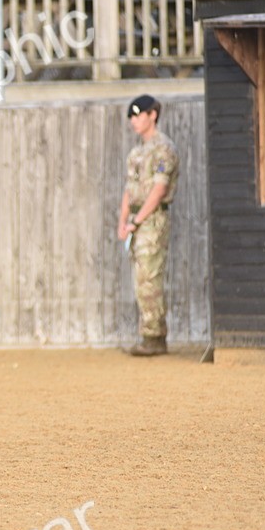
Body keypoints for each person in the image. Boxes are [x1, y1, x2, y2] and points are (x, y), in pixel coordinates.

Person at [117, 95, 180, 356]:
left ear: (152, 115)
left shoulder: (163, 149)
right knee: (141, 278)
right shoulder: (137, 153)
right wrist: (123, 221)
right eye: (131, 116)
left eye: (138, 114)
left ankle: (154, 336)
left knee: (149, 277)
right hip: (137, 221)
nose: (134, 120)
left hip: (152, 220)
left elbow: (159, 189)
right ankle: (150, 334)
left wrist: (137, 220)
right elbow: (129, 189)